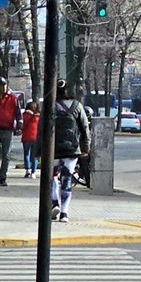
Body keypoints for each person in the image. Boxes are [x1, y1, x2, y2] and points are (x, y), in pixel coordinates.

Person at [51, 80, 90, 223]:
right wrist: (85, 148)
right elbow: (85, 128)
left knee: (53, 177)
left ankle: (54, 202)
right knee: (66, 179)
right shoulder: (77, 106)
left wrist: (39, 150)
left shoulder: (49, 106)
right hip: (72, 150)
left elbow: (41, 129)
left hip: (53, 149)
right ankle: (64, 213)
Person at [0, 78, 22, 186]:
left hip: (7, 129)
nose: (2, 87)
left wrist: (19, 126)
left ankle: (2, 177)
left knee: (6, 155)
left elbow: (19, 114)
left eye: (4, 85)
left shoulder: (13, 99)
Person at [21, 100, 40, 178]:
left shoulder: (24, 115)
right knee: (35, 156)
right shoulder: (38, 117)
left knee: (26, 154)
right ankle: (33, 172)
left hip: (26, 137)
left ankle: (27, 170)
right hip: (36, 138)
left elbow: (22, 126)